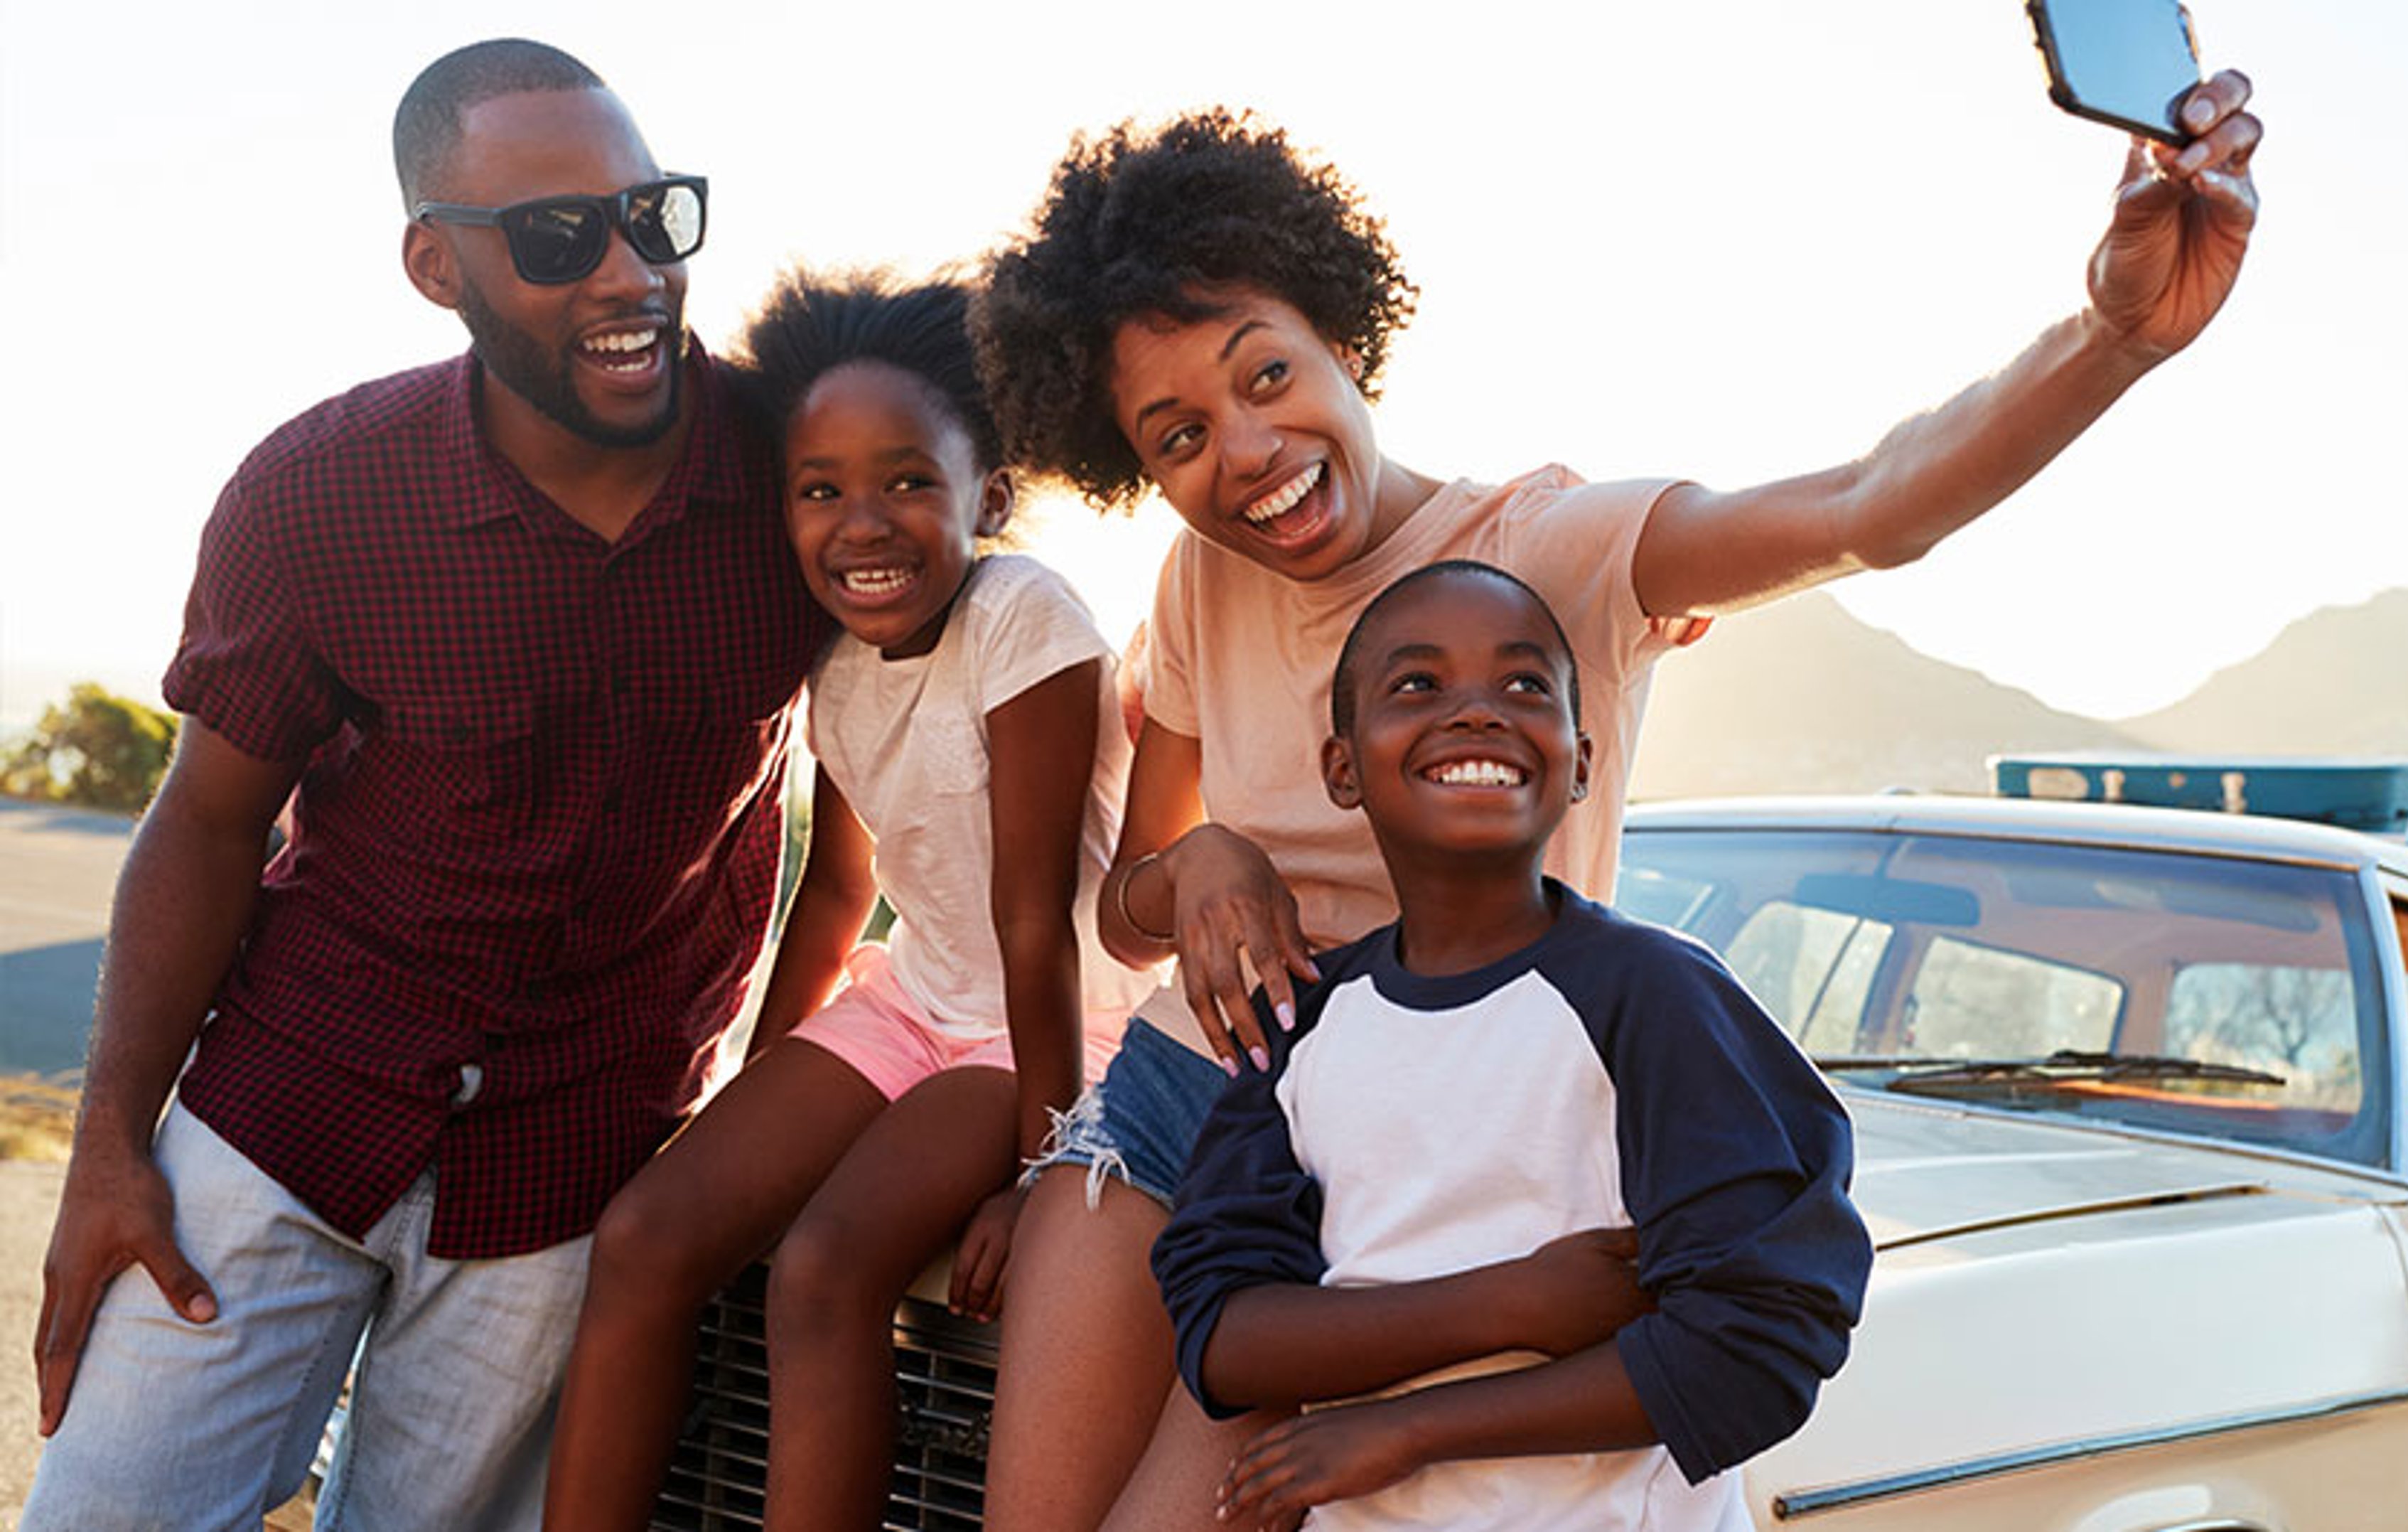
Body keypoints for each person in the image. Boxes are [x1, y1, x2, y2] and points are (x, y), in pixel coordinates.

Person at [967, 85, 2258, 1529]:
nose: (1244, 451)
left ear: (1341, 331)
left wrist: (2117, 338)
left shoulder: (1547, 552)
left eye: (1265, 376)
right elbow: (1125, 902)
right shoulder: (1202, 581)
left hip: (1399, 1166)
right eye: (1177, 435)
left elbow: (1874, 502)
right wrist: (1199, 860)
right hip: (1176, 1101)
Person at [23, 40, 829, 1531]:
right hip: (283, 1103)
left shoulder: (804, 479)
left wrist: (765, 1092)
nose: (626, 275)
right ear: (433, 265)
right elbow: (204, 824)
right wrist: (110, 1154)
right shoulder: (320, 492)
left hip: (577, 1152)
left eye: (651, 217)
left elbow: (879, 790)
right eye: (554, 236)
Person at [542, 269, 1155, 1531]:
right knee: (649, 1236)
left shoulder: (1023, 620)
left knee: (824, 1269)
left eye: (906, 483)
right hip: (912, 1001)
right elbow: (836, 891)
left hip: (1053, 1029)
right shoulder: (829, 657)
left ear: (986, 495)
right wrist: (754, 1103)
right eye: (820, 489)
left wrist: (1044, 1172)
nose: (860, 523)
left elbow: (1036, 921)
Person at [1152, 560, 1869, 1529]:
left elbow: (1762, 1343)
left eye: (1524, 685)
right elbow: (1222, 1335)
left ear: (1580, 762)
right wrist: (1516, 1303)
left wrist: (1409, 1429)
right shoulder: (1306, 1025)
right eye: (1418, 685)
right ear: (1342, 767)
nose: (1478, 711)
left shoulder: (1656, 996)